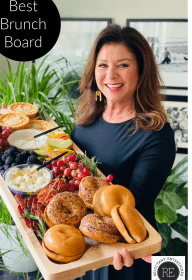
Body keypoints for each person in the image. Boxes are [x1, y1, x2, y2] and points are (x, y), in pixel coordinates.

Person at [71, 24, 176, 280]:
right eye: (103, 65)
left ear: (141, 70)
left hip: (123, 255)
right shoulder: (85, 121)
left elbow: (134, 210)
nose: (111, 75)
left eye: (123, 65)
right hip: (80, 247)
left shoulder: (156, 134)